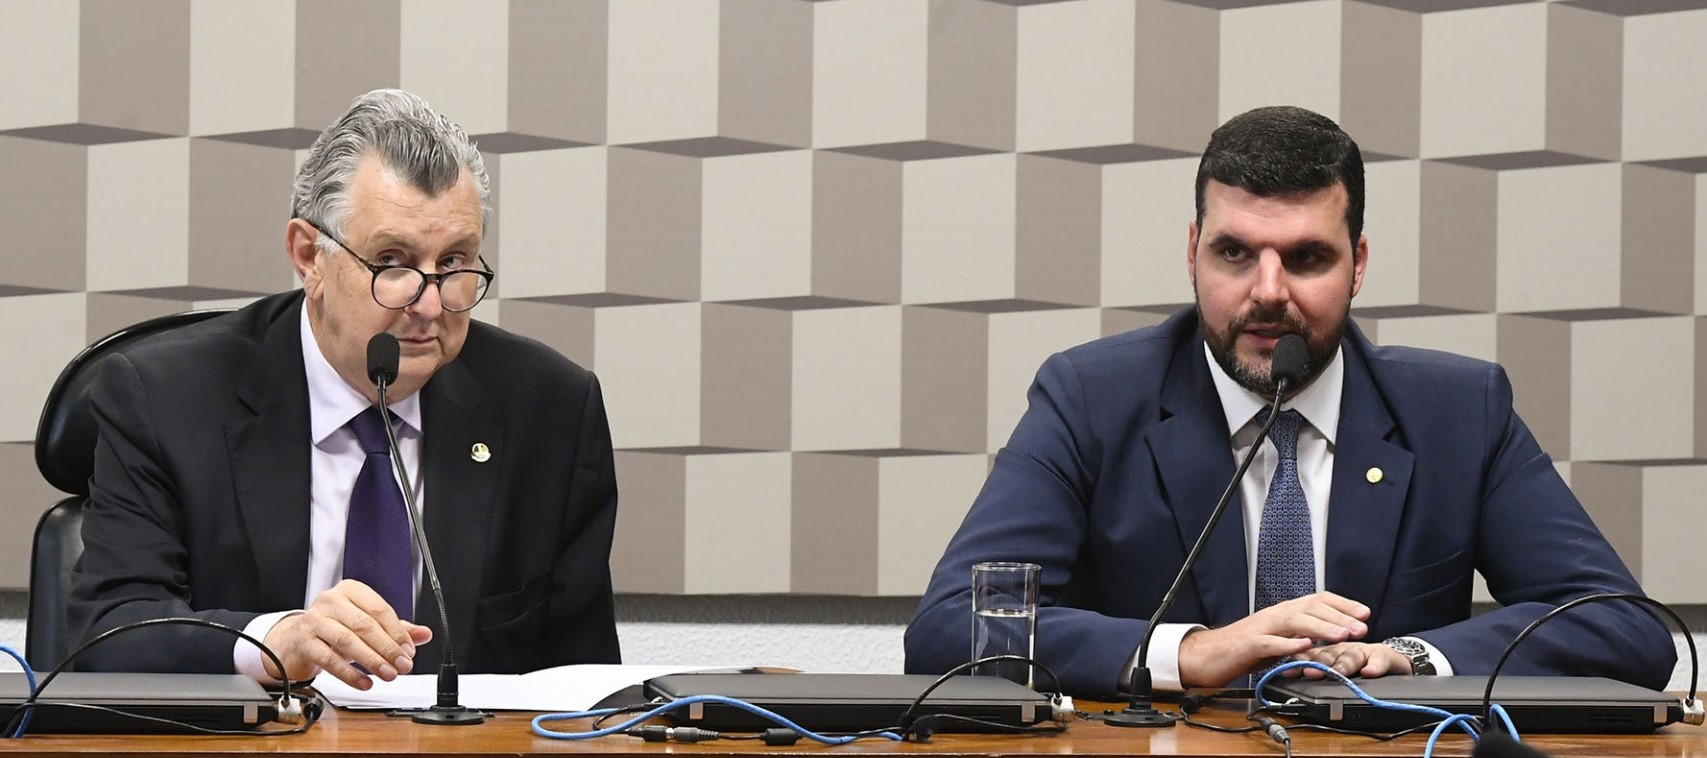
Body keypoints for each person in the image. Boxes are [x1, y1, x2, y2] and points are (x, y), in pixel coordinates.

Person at [904, 105, 1675, 698]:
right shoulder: (1090, 399)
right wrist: (1189, 650)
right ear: (1191, 254)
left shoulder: (1458, 411)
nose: (1267, 293)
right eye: (1234, 252)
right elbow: (948, 628)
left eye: (1305, 257)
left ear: (1358, 264)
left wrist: (1410, 657)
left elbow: (1625, 629)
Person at [68, 89, 621, 689]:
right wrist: (274, 641)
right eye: (393, 261)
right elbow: (109, 632)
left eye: (456, 262)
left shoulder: (550, 413)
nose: (430, 304)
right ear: (310, 258)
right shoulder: (167, 397)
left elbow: (584, 684)